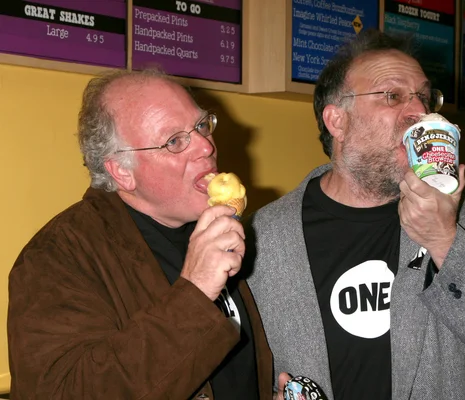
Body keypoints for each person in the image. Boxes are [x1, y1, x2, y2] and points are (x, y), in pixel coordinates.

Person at [245, 30, 465, 400]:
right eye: (393, 96)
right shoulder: (266, 235)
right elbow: (241, 362)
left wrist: (445, 241)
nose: (420, 112)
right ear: (337, 121)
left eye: (424, 96)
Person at [8, 70, 273, 399]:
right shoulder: (56, 256)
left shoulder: (215, 226)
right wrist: (195, 291)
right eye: (175, 141)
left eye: (202, 125)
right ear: (122, 171)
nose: (206, 146)